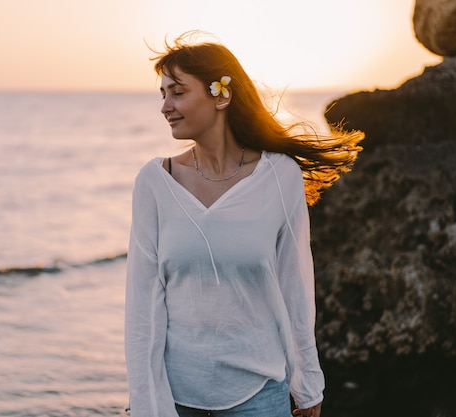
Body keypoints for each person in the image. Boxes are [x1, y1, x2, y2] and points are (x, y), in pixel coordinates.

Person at [124, 32, 363, 417]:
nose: (165, 106)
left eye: (178, 92)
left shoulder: (279, 175)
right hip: (176, 394)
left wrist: (307, 383)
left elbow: (295, 286)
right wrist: (146, 402)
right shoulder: (154, 181)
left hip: (260, 392)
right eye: (163, 93)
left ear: (221, 95)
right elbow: (142, 306)